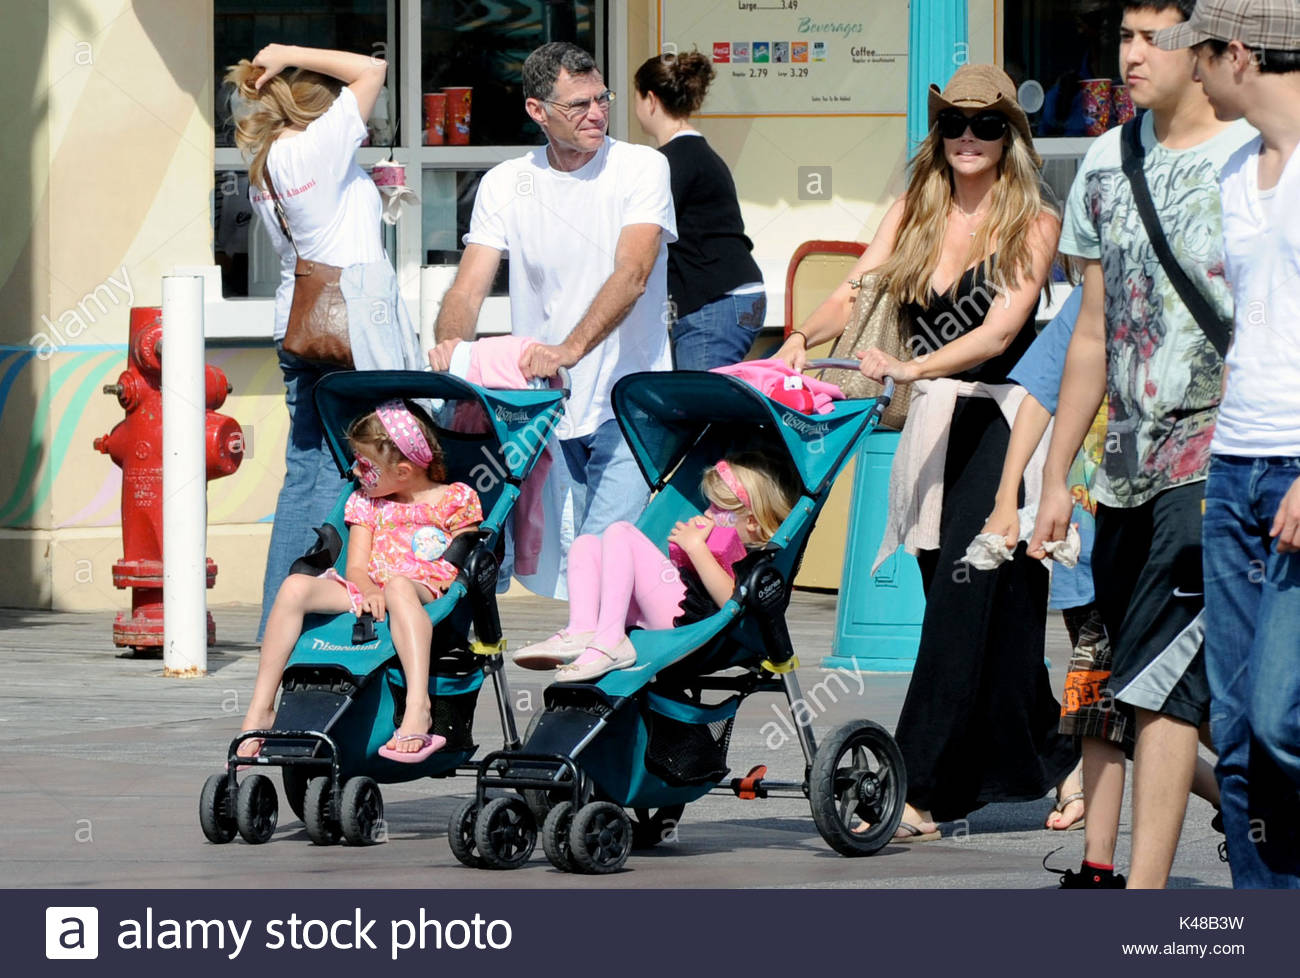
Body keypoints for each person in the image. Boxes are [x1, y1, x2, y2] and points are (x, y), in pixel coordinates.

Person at [776, 64, 1078, 841]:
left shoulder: (1034, 222)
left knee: (958, 604)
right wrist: (802, 339)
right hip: (934, 429)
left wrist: (911, 366)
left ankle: (922, 791)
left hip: (1008, 425)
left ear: (1011, 135)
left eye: (986, 125)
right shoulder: (916, 206)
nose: (968, 138)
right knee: (998, 624)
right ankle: (1067, 760)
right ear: (938, 133)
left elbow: (1001, 333)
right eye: (954, 125)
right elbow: (860, 289)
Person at [1028, 0, 1255, 889]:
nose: (1131, 54)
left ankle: (1147, 898)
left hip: (1217, 454)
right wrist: (1056, 477)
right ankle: (1121, 866)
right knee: (1112, 669)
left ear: (1204, 51)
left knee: (1166, 677)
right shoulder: (1104, 161)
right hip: (1120, 465)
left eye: (1152, 37)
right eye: (1123, 35)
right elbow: (1092, 333)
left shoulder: (1252, 160)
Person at [427, 42, 676, 597]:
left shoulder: (642, 167)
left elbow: (633, 273)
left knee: (604, 554)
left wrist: (569, 349)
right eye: (578, 104)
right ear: (537, 111)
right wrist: (450, 345)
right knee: (570, 569)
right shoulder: (506, 183)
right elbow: (469, 285)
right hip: (547, 407)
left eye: (602, 99)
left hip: (630, 400)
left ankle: (601, 671)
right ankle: (602, 670)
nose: (597, 113)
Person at [982, 285, 1222, 838]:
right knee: (1102, 706)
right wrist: (1008, 495)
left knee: (1167, 700)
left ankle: (1248, 796)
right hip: (1087, 550)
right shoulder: (1090, 298)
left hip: (1163, 538)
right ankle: (1100, 863)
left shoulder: (1197, 283)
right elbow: (1038, 397)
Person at [1154, 0, 1300, 888]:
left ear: (1238, 55)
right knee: (1240, 735)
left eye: (1198, 59)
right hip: (1237, 469)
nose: (1192, 76)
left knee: (1284, 719)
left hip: (1296, 474)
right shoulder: (1240, 170)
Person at [226, 44, 422, 641]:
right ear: (321, 103)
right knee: (355, 470)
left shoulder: (268, 162)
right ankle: (323, 623)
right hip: (351, 333)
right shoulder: (318, 144)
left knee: (303, 474)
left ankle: (278, 624)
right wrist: (285, 52)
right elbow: (373, 69)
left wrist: (367, 186)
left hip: (300, 327)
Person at [237, 401, 482, 763]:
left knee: (399, 585)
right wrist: (367, 589)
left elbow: (466, 553)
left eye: (365, 465)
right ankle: (261, 707)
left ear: (402, 471)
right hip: (369, 589)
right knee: (294, 587)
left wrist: (427, 585)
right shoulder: (366, 502)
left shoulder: (455, 499)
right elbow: (355, 567)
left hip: (426, 588)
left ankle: (418, 706)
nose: (354, 470)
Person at [511, 454, 797, 681]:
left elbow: (731, 601)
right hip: (658, 612)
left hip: (692, 626)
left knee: (621, 532)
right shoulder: (715, 539)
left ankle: (611, 642)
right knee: (586, 544)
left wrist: (695, 548)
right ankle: (583, 629)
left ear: (752, 521)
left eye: (718, 509)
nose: (707, 514)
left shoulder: (759, 561)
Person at [632, 51, 766, 370]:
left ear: (650, 100)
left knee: (701, 414)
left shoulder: (671, 162)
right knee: (705, 407)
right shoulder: (698, 155)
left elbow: (645, 235)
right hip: (731, 296)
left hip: (714, 303)